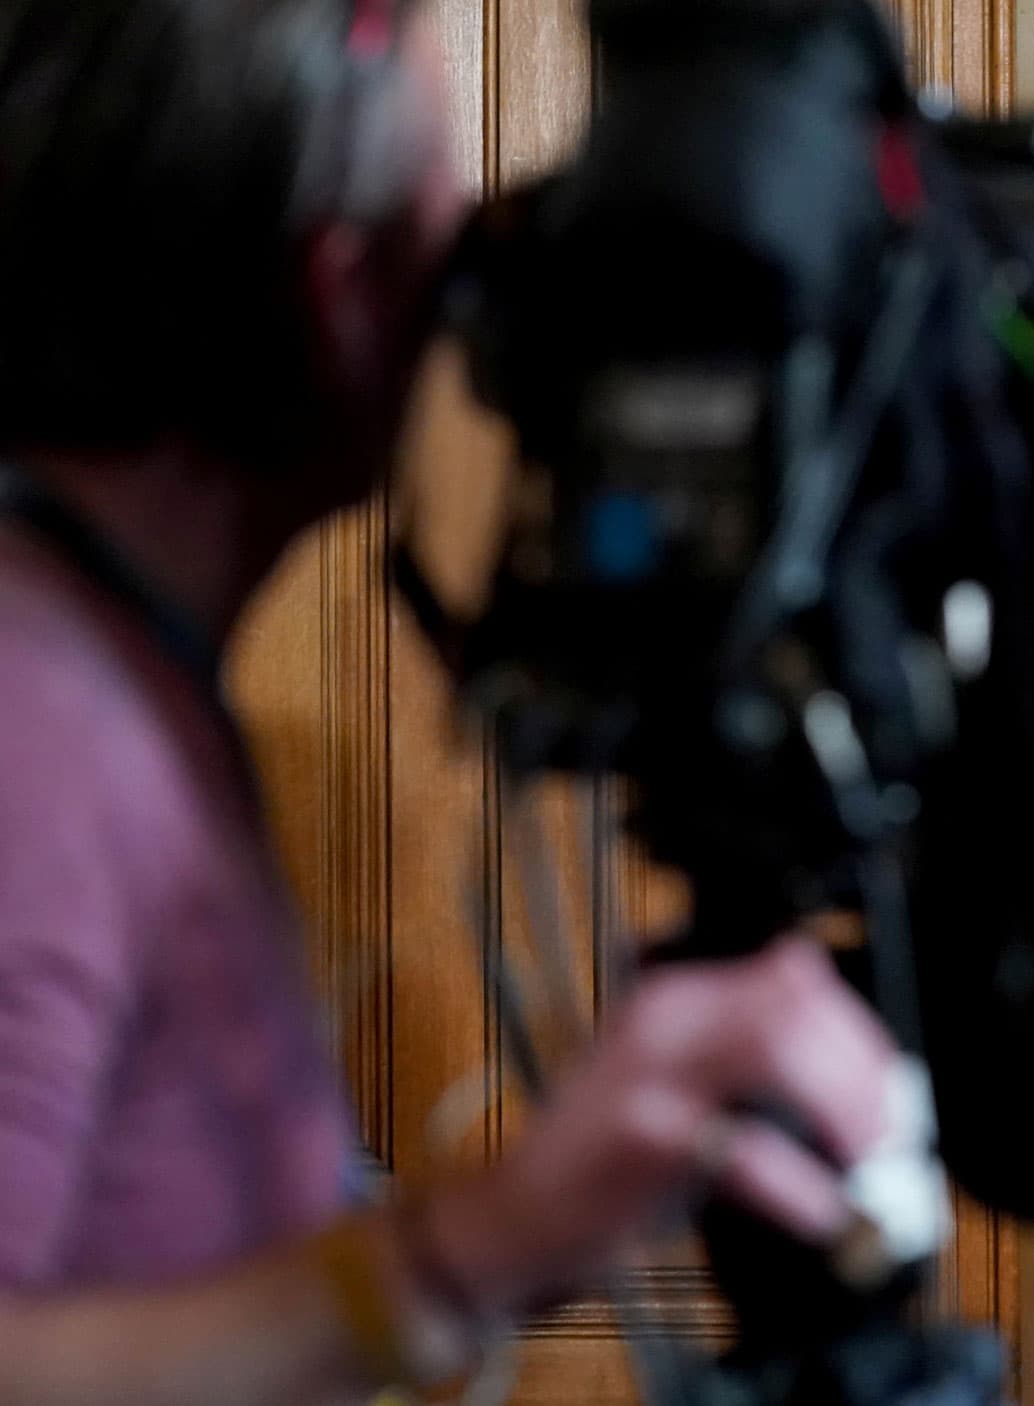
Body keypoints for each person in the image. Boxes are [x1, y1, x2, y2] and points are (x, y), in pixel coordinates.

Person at [0, 1, 906, 1401]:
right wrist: (460, 1257)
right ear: (341, 295)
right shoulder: (42, 725)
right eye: (452, 242)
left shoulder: (111, 668)